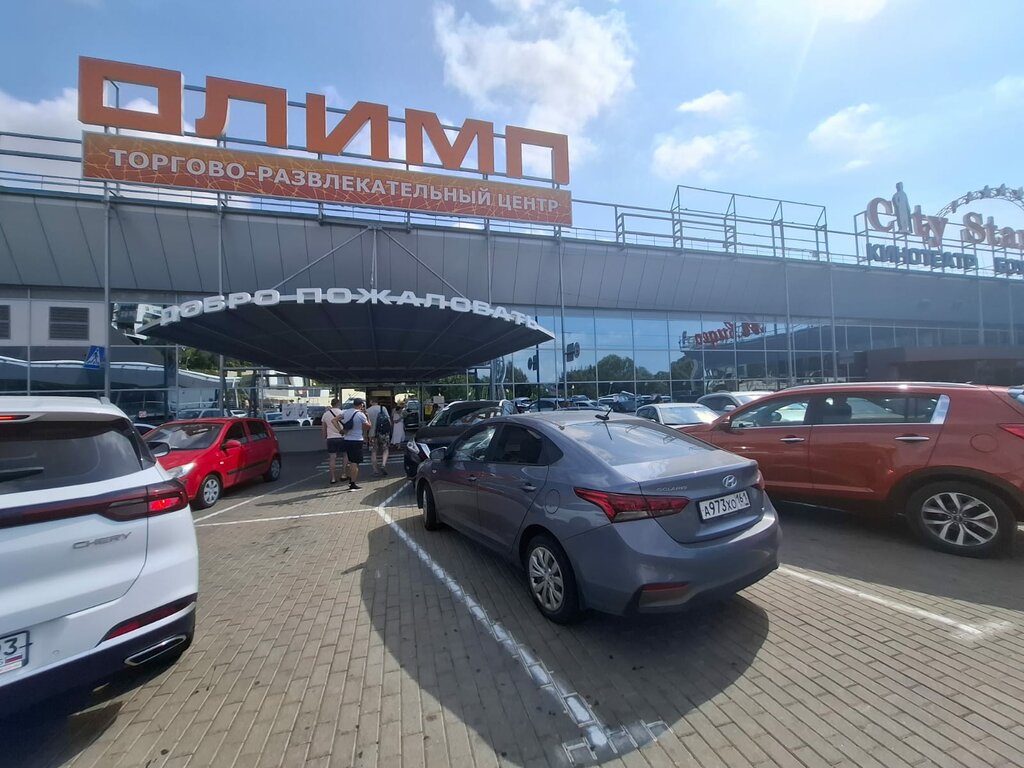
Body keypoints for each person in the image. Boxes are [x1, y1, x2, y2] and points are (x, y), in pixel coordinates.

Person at [335, 398, 370, 491]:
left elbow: (334, 420)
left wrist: (340, 430)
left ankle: (347, 475)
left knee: (350, 460)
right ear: (361, 405)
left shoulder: (346, 412)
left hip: (347, 439)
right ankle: (352, 483)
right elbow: (368, 426)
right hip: (357, 440)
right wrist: (368, 416)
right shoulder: (361, 415)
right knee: (355, 462)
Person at [321, 398, 346, 485]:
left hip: (331, 438)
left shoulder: (325, 414)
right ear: (339, 404)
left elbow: (323, 428)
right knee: (345, 455)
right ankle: (343, 474)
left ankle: (333, 478)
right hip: (342, 437)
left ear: (331, 404)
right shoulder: (342, 413)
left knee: (332, 457)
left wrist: (325, 438)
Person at [365, 398, 393, 477]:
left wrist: (365, 435)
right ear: (378, 402)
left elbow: (365, 424)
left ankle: (375, 471)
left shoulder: (367, 411)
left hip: (372, 434)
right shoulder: (383, 408)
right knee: (385, 449)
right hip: (383, 433)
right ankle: (383, 464)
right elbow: (388, 421)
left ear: (371, 402)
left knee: (373, 452)